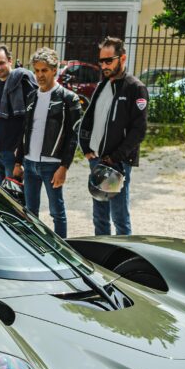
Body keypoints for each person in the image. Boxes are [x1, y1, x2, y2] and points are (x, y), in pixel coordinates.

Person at [78, 36, 148, 236]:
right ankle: (102, 257)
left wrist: (116, 157)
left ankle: (123, 260)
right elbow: (90, 118)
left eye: (109, 60)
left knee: (119, 217)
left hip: (117, 163)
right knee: (99, 215)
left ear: (122, 58)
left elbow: (139, 130)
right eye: (101, 61)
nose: (104, 65)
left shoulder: (135, 88)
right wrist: (86, 148)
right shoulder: (102, 86)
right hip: (97, 159)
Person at [13, 47, 82, 238]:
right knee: (29, 211)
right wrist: (18, 162)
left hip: (52, 166)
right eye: (36, 71)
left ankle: (63, 249)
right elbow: (24, 131)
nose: (40, 75)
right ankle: (33, 246)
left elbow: (72, 136)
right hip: (29, 162)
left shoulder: (69, 99)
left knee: (57, 213)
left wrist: (64, 167)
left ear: (54, 70)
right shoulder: (31, 96)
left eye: (44, 70)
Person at [0, 45, 36, 184]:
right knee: (2, 199)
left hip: (15, 153)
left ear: (10, 61)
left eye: (1, 63)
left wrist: (21, 156)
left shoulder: (23, 82)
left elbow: (32, 120)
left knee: (17, 199)